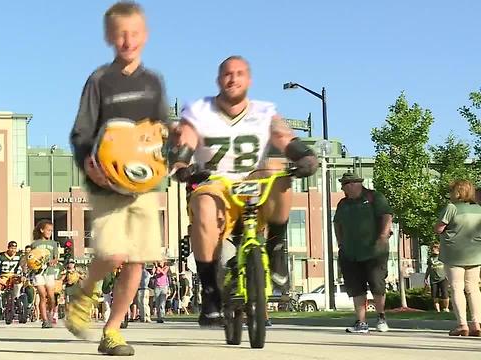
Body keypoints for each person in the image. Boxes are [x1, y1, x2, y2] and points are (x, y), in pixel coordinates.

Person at [168, 55, 318, 325]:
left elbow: (283, 136)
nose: (233, 78)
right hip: (217, 185)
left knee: (277, 170)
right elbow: (187, 139)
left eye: (239, 73)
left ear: (249, 79)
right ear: (218, 80)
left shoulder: (264, 112)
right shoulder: (200, 111)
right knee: (203, 202)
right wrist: (182, 164)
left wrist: (304, 156)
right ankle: (211, 293)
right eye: (227, 73)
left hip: (252, 185)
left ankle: (276, 248)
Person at [66, 1, 169, 355]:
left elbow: (160, 132)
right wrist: (88, 163)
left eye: (135, 33)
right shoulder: (100, 80)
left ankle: (112, 331)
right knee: (113, 254)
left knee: (137, 259)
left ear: (146, 35)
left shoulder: (154, 82)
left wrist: (175, 147)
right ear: (110, 37)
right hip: (105, 183)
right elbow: (80, 132)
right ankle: (86, 289)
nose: (128, 40)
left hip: (144, 186)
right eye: (121, 34)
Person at [334, 172, 393, 334]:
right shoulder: (343, 204)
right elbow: (337, 223)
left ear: (355, 184)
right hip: (350, 253)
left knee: (377, 284)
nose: (343, 188)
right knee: (356, 287)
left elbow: (387, 216)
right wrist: (340, 243)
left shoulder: (375, 197)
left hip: (374, 251)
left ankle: (381, 317)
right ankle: (361, 322)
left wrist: (382, 236)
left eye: (344, 184)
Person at [434, 180, 481, 337]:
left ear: (457, 192)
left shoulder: (451, 208)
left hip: (454, 253)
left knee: (456, 287)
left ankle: (462, 324)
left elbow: (439, 228)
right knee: (473, 288)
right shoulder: (478, 209)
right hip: (475, 253)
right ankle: (476, 323)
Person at [29, 219, 62, 328]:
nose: (50, 232)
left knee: (51, 296)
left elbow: (56, 258)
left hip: (49, 272)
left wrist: (53, 261)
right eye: (48, 230)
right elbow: (31, 258)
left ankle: (50, 314)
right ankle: (44, 320)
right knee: (43, 296)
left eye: (51, 231)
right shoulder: (35, 244)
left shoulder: (53, 244)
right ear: (42, 230)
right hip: (38, 273)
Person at [0, 241, 22, 319]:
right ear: (8, 248)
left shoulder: (19, 256)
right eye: (11, 248)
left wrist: (20, 273)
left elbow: (22, 265)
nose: (13, 250)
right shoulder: (1, 256)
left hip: (14, 276)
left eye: (14, 248)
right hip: (4, 276)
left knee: (18, 282)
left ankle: (17, 298)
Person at [423, 243, 450, 313]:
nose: (433, 249)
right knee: (435, 296)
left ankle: (446, 309)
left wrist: (449, 276)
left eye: (435, 248)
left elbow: (448, 266)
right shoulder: (430, 258)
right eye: (432, 248)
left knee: (445, 294)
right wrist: (426, 277)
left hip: (443, 278)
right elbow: (428, 268)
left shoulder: (443, 257)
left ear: (438, 249)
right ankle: (437, 311)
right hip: (433, 280)